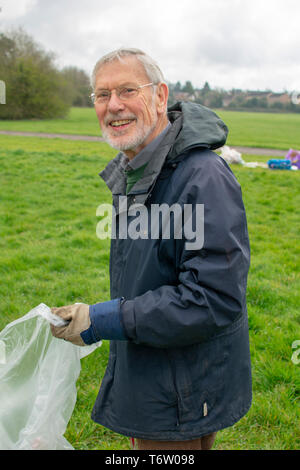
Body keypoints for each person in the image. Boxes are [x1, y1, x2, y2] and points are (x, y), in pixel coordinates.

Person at [51, 48, 252, 451]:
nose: (114, 106)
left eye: (127, 90)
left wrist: (101, 319)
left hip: (181, 387)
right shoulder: (139, 168)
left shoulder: (201, 178)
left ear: (160, 97)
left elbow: (212, 299)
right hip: (159, 370)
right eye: (101, 95)